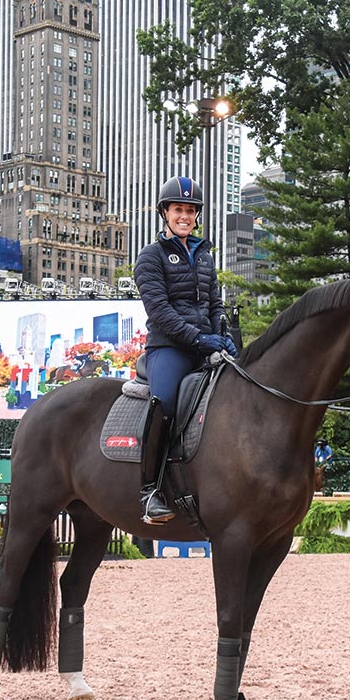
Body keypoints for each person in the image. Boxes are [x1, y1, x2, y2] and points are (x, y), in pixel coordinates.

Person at [133, 176, 237, 524]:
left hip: (206, 343)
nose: (185, 216)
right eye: (179, 209)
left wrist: (222, 332)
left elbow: (214, 303)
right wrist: (198, 338)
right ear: (165, 213)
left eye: (190, 211)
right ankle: (150, 490)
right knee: (165, 401)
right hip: (169, 347)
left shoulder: (205, 255)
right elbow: (159, 311)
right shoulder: (151, 257)